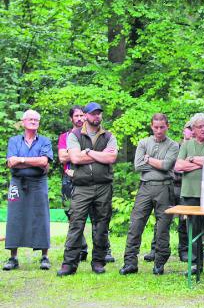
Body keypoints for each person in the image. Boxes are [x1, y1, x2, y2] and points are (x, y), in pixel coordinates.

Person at [57, 102, 118, 276]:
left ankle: (98, 262)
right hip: (81, 186)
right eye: (93, 114)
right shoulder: (74, 135)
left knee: (101, 225)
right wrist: (100, 155)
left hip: (103, 186)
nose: (96, 116)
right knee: (76, 224)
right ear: (85, 115)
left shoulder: (109, 135)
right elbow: (75, 158)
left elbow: (111, 158)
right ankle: (69, 264)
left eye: (99, 113)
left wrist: (88, 152)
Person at [119, 113, 179, 276]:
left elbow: (167, 165)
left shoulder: (173, 145)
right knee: (135, 225)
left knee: (162, 228)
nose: (159, 130)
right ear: (151, 126)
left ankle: (159, 264)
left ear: (167, 126)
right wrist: (157, 164)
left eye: (162, 127)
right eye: (156, 127)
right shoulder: (144, 142)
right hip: (145, 188)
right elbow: (138, 166)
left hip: (165, 189)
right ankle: (130, 263)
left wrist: (149, 159)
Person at [3, 110, 53, 271]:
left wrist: (22, 159)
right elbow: (11, 163)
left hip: (39, 183)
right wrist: (34, 162)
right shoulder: (14, 141)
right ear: (23, 122)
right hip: (17, 183)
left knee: (41, 216)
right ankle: (13, 257)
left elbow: (44, 161)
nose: (34, 122)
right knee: (14, 217)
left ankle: (44, 256)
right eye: (30, 119)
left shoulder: (45, 141)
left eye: (36, 120)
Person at [174, 113, 204, 277]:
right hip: (189, 193)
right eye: (199, 126)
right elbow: (178, 166)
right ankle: (195, 263)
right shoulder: (186, 144)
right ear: (193, 129)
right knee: (192, 230)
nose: (203, 129)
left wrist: (193, 159)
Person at [144, 120, 192, 263]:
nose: (191, 131)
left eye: (192, 128)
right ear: (183, 131)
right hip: (170, 185)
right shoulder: (174, 146)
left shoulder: (194, 149)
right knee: (162, 218)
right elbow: (172, 166)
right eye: (188, 128)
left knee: (184, 220)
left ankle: (184, 250)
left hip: (186, 188)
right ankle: (155, 249)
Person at [57, 105, 89, 262]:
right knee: (71, 214)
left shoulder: (91, 135)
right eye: (76, 116)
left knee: (97, 214)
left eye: (82, 115)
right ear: (71, 118)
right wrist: (80, 153)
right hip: (69, 179)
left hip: (89, 178)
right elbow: (62, 158)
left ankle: (105, 250)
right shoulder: (65, 136)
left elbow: (97, 155)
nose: (79, 118)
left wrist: (75, 154)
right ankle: (80, 248)